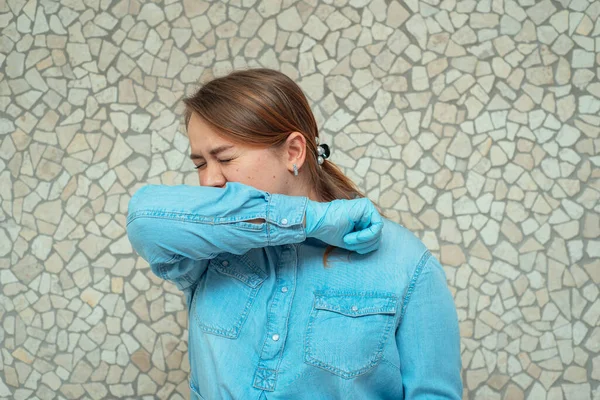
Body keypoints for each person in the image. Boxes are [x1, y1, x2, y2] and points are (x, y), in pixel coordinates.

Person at [126, 68, 462, 399]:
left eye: (224, 158)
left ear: (293, 152)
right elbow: (143, 217)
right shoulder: (208, 248)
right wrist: (313, 219)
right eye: (200, 164)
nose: (210, 180)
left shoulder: (405, 262)